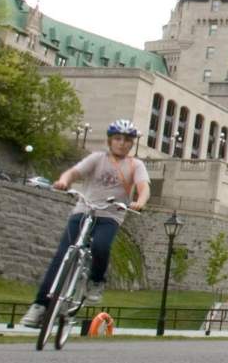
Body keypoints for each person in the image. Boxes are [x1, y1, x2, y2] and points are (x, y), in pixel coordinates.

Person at [20, 119, 150, 328]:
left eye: (127, 140)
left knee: (100, 246)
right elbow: (74, 172)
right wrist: (64, 181)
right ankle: (39, 306)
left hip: (111, 214)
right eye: (118, 139)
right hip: (85, 209)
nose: (122, 143)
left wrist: (140, 202)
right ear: (110, 141)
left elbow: (143, 187)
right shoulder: (97, 158)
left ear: (132, 144)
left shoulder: (136, 165)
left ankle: (96, 280)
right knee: (63, 255)